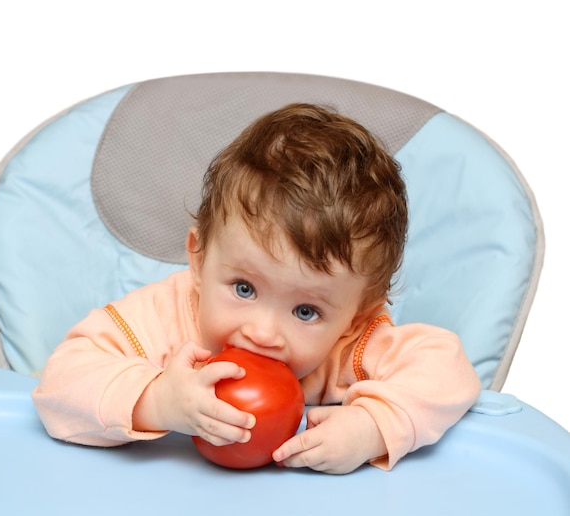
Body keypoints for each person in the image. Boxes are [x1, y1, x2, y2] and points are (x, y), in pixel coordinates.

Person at [32, 103, 481, 474]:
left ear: (357, 316)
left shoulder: (352, 348)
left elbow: (448, 370)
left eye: (306, 311)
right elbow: (59, 385)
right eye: (244, 288)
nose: (263, 333)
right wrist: (157, 400)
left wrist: (371, 427)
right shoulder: (161, 320)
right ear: (200, 258)